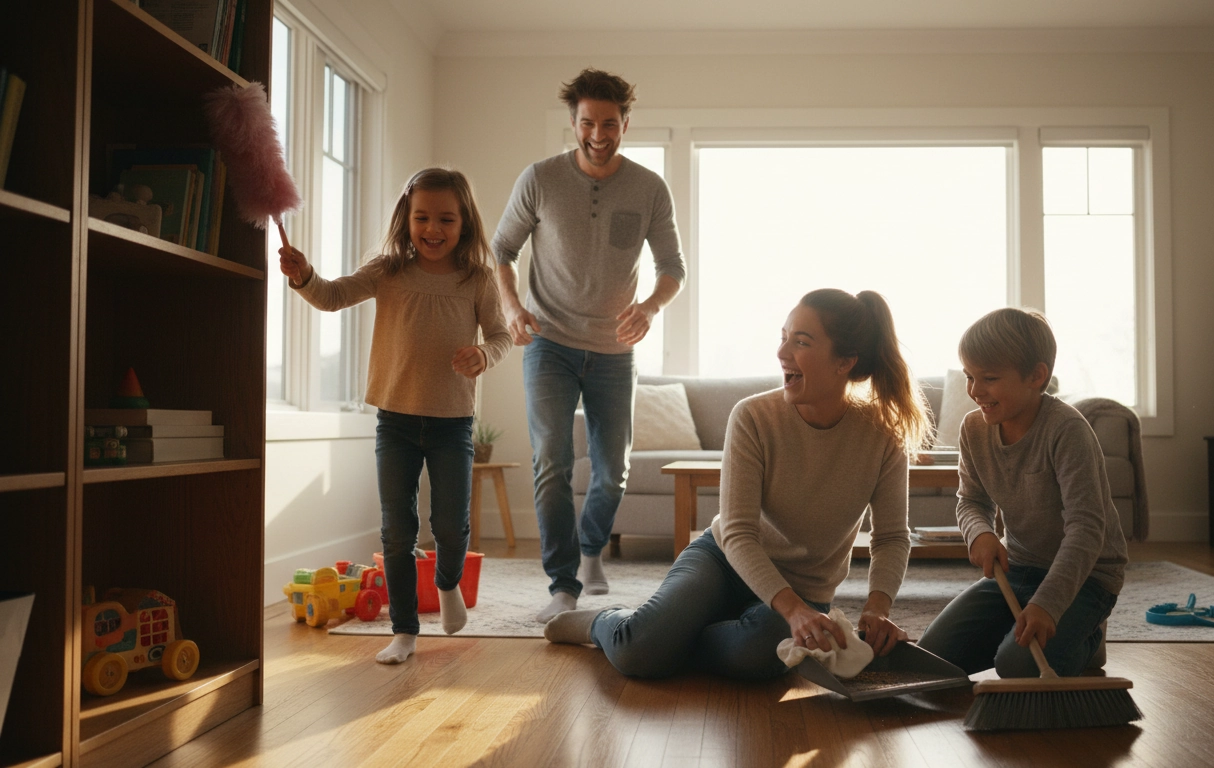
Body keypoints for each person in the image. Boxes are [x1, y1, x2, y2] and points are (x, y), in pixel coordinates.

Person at [544, 289, 931, 680]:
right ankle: (602, 622)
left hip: (806, 585)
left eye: (801, 342)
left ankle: (674, 639)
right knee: (636, 651)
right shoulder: (753, 417)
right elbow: (739, 532)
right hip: (723, 560)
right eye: (784, 337)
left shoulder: (884, 435)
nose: (782, 353)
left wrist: (877, 608)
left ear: (845, 362)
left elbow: (892, 536)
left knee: (761, 656)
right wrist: (792, 612)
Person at [278, 167, 511, 664]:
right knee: (397, 531)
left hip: (453, 423)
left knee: (450, 527)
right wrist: (303, 276)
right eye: (422, 217)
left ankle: (447, 583)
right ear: (406, 218)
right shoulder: (388, 270)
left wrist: (483, 355)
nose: (433, 229)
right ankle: (404, 631)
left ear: (464, 223)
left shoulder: (478, 279)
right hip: (396, 423)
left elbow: (502, 334)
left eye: (446, 219)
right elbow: (334, 296)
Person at [492, 68, 685, 622]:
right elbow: (501, 249)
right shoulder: (540, 178)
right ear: (573, 123)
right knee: (551, 460)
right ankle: (562, 582)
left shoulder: (649, 187)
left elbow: (674, 267)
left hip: (613, 349)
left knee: (612, 468)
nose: (598, 135)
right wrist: (510, 307)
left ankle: (591, 546)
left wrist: (649, 307)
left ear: (625, 123)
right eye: (587, 123)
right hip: (547, 341)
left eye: (609, 124)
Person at [917, 308, 1128, 678]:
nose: (975, 391)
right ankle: (1031, 632)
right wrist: (979, 533)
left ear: (1036, 376)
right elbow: (970, 500)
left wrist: (1048, 604)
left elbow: (1086, 529)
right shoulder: (974, 429)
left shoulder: (1067, 431)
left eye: (990, 378)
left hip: (1087, 576)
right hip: (1019, 567)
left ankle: (1089, 639)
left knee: (1016, 666)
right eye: (969, 376)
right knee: (933, 658)